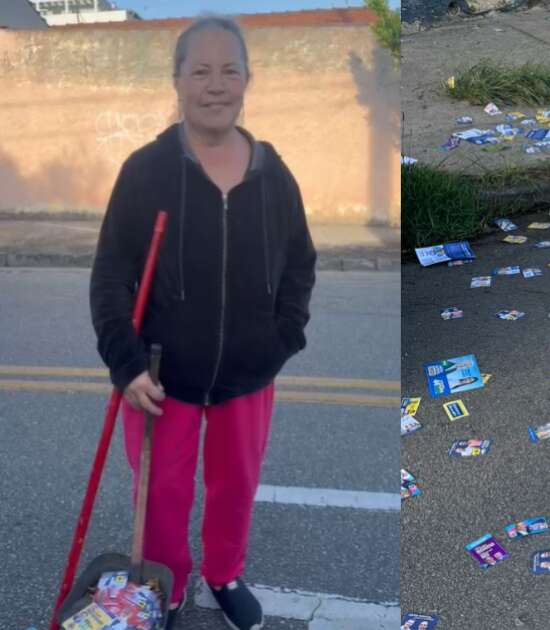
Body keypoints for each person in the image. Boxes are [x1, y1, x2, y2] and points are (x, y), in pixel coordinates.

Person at [89, 14, 316, 630]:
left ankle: (224, 572)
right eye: (201, 71)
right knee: (162, 492)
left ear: (247, 80)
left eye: (229, 71)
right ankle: (164, 581)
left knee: (235, 482)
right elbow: (111, 274)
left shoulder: (272, 170)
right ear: (178, 81)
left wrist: (283, 338)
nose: (216, 85)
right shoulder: (146, 170)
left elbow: (300, 261)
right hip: (161, 374)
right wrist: (126, 363)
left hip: (249, 369)